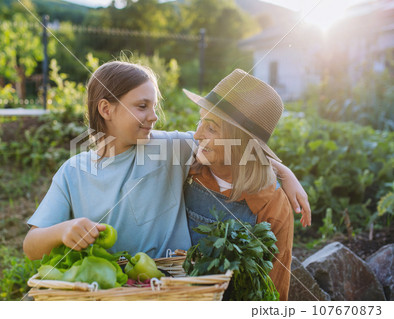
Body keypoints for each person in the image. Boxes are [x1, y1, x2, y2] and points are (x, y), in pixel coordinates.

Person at [23, 61, 309, 264]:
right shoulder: (72, 173)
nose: (154, 116)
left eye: (154, 106)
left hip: (175, 289)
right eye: (142, 106)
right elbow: (31, 246)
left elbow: (234, 144)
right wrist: (62, 231)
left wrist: (284, 173)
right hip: (110, 291)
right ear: (106, 109)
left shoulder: (168, 147)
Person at [182, 69, 297, 300]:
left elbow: (272, 292)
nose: (196, 134)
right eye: (200, 121)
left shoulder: (271, 204)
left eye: (211, 128)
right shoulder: (188, 170)